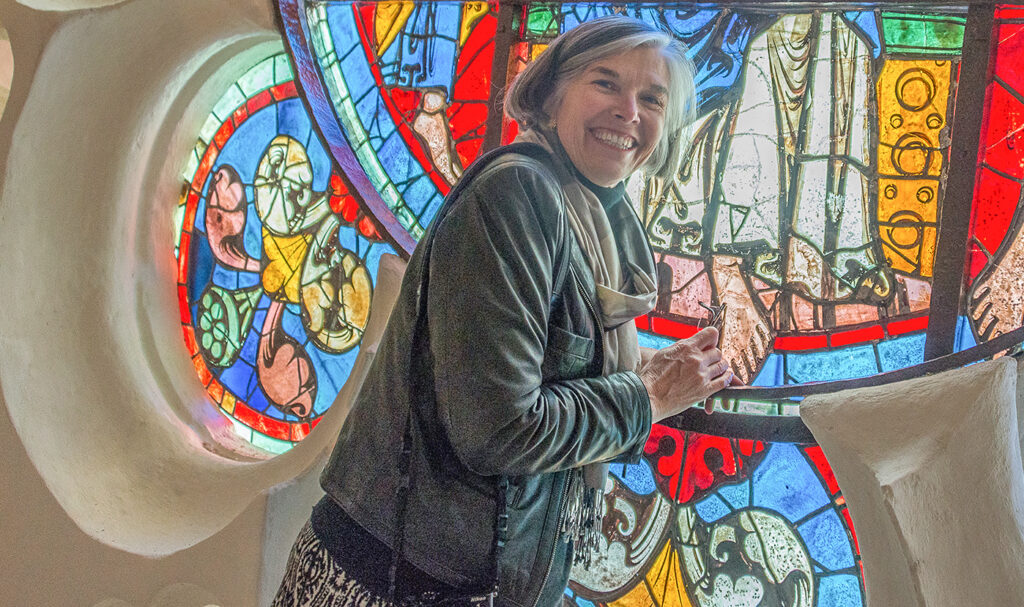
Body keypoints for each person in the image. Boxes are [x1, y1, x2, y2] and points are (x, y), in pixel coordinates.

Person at [273, 15, 736, 607]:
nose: (630, 111)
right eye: (606, 83)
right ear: (550, 94)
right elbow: (499, 428)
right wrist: (645, 398)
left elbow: (526, 347)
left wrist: (649, 364)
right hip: (393, 583)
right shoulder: (517, 194)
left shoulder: (591, 212)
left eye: (652, 98)